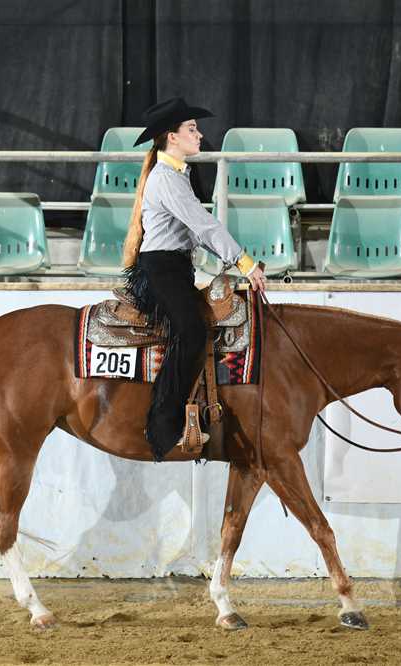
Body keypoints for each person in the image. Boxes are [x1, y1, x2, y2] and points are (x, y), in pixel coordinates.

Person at [122, 97, 266, 462]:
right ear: (172, 137)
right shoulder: (166, 179)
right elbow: (203, 226)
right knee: (192, 331)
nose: (199, 135)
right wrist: (245, 263)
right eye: (192, 129)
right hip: (161, 269)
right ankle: (164, 426)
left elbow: (197, 232)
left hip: (174, 267)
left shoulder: (175, 176)